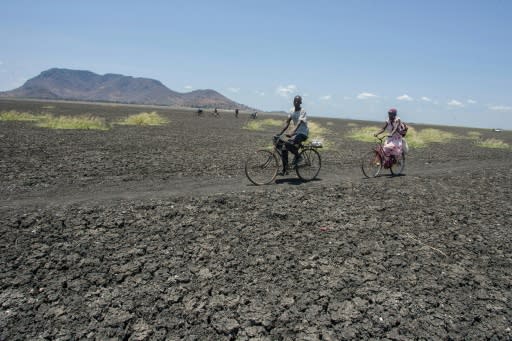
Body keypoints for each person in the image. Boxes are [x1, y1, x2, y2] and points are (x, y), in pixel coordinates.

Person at [277, 95, 309, 175]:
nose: (296, 103)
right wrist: (280, 133)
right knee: (283, 147)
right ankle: (285, 169)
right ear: (293, 101)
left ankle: (299, 157)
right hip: (295, 133)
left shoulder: (303, 111)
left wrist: (292, 132)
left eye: (298, 101)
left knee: (288, 145)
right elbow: (287, 122)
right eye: (295, 101)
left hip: (302, 133)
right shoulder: (291, 110)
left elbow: (299, 123)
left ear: (301, 102)